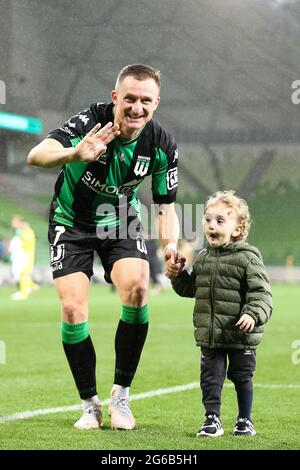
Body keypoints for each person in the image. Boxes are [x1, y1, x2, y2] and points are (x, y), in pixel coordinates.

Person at [27, 64, 181, 430]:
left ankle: (121, 397)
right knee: (72, 307)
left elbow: (166, 207)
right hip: (71, 221)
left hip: (120, 218)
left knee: (139, 286)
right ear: (116, 98)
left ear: (156, 103)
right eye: (129, 98)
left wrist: (171, 245)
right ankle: (89, 404)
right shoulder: (91, 123)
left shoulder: (161, 145)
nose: (137, 108)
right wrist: (73, 154)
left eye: (146, 101)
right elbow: (36, 155)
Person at [165, 190, 272, 437]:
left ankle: (245, 420)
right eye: (208, 220)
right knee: (210, 379)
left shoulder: (248, 258)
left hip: (240, 333)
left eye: (220, 221)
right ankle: (211, 419)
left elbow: (262, 294)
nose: (211, 225)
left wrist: (253, 314)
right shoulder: (202, 258)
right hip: (211, 334)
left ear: (237, 228)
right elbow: (190, 290)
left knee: (242, 376)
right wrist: (178, 275)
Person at [9, 216, 39, 300]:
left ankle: (23, 293)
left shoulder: (28, 232)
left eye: (15, 222)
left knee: (23, 274)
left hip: (27, 256)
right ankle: (33, 286)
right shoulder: (23, 232)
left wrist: (18, 245)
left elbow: (26, 244)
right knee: (22, 274)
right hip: (24, 255)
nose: (14, 225)